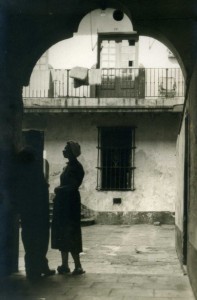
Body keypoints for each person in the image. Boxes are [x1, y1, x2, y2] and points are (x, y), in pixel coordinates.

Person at [16, 146, 55, 279]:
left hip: (27, 211)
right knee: (40, 240)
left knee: (29, 240)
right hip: (38, 211)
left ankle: (32, 269)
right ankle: (39, 268)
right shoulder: (34, 171)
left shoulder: (20, 173)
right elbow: (41, 188)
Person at [51, 140, 85, 275]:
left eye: (66, 148)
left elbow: (73, 185)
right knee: (62, 233)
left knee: (72, 233)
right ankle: (64, 265)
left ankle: (78, 266)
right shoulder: (68, 166)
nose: (63, 150)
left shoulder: (77, 167)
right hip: (63, 203)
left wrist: (58, 189)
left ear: (72, 151)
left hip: (70, 204)